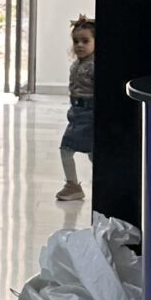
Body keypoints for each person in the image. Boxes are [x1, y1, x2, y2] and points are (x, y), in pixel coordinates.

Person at [58, 15, 95, 202]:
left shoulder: (94, 66)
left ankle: (73, 185)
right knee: (87, 151)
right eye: (76, 41)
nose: (80, 45)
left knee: (68, 148)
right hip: (76, 113)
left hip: (89, 114)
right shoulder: (76, 65)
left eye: (85, 41)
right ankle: (73, 185)